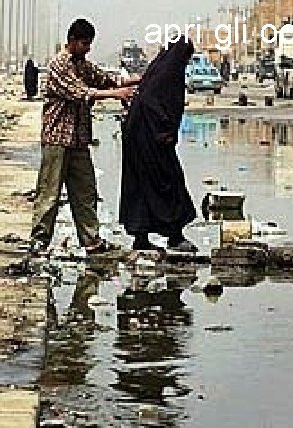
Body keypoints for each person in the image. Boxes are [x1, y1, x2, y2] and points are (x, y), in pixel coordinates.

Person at [29, 18, 137, 255]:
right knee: (49, 193)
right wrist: (115, 94)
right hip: (57, 139)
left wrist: (138, 80)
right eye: (84, 43)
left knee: (85, 192)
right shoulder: (59, 65)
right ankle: (39, 241)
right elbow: (82, 93)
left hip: (78, 140)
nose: (88, 48)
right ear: (72, 41)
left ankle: (91, 241)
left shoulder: (83, 65)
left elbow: (105, 79)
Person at [119, 36, 198, 252]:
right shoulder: (168, 74)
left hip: (141, 137)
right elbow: (154, 105)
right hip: (151, 138)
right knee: (168, 182)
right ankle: (174, 235)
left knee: (142, 184)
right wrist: (165, 132)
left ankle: (142, 236)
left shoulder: (159, 70)